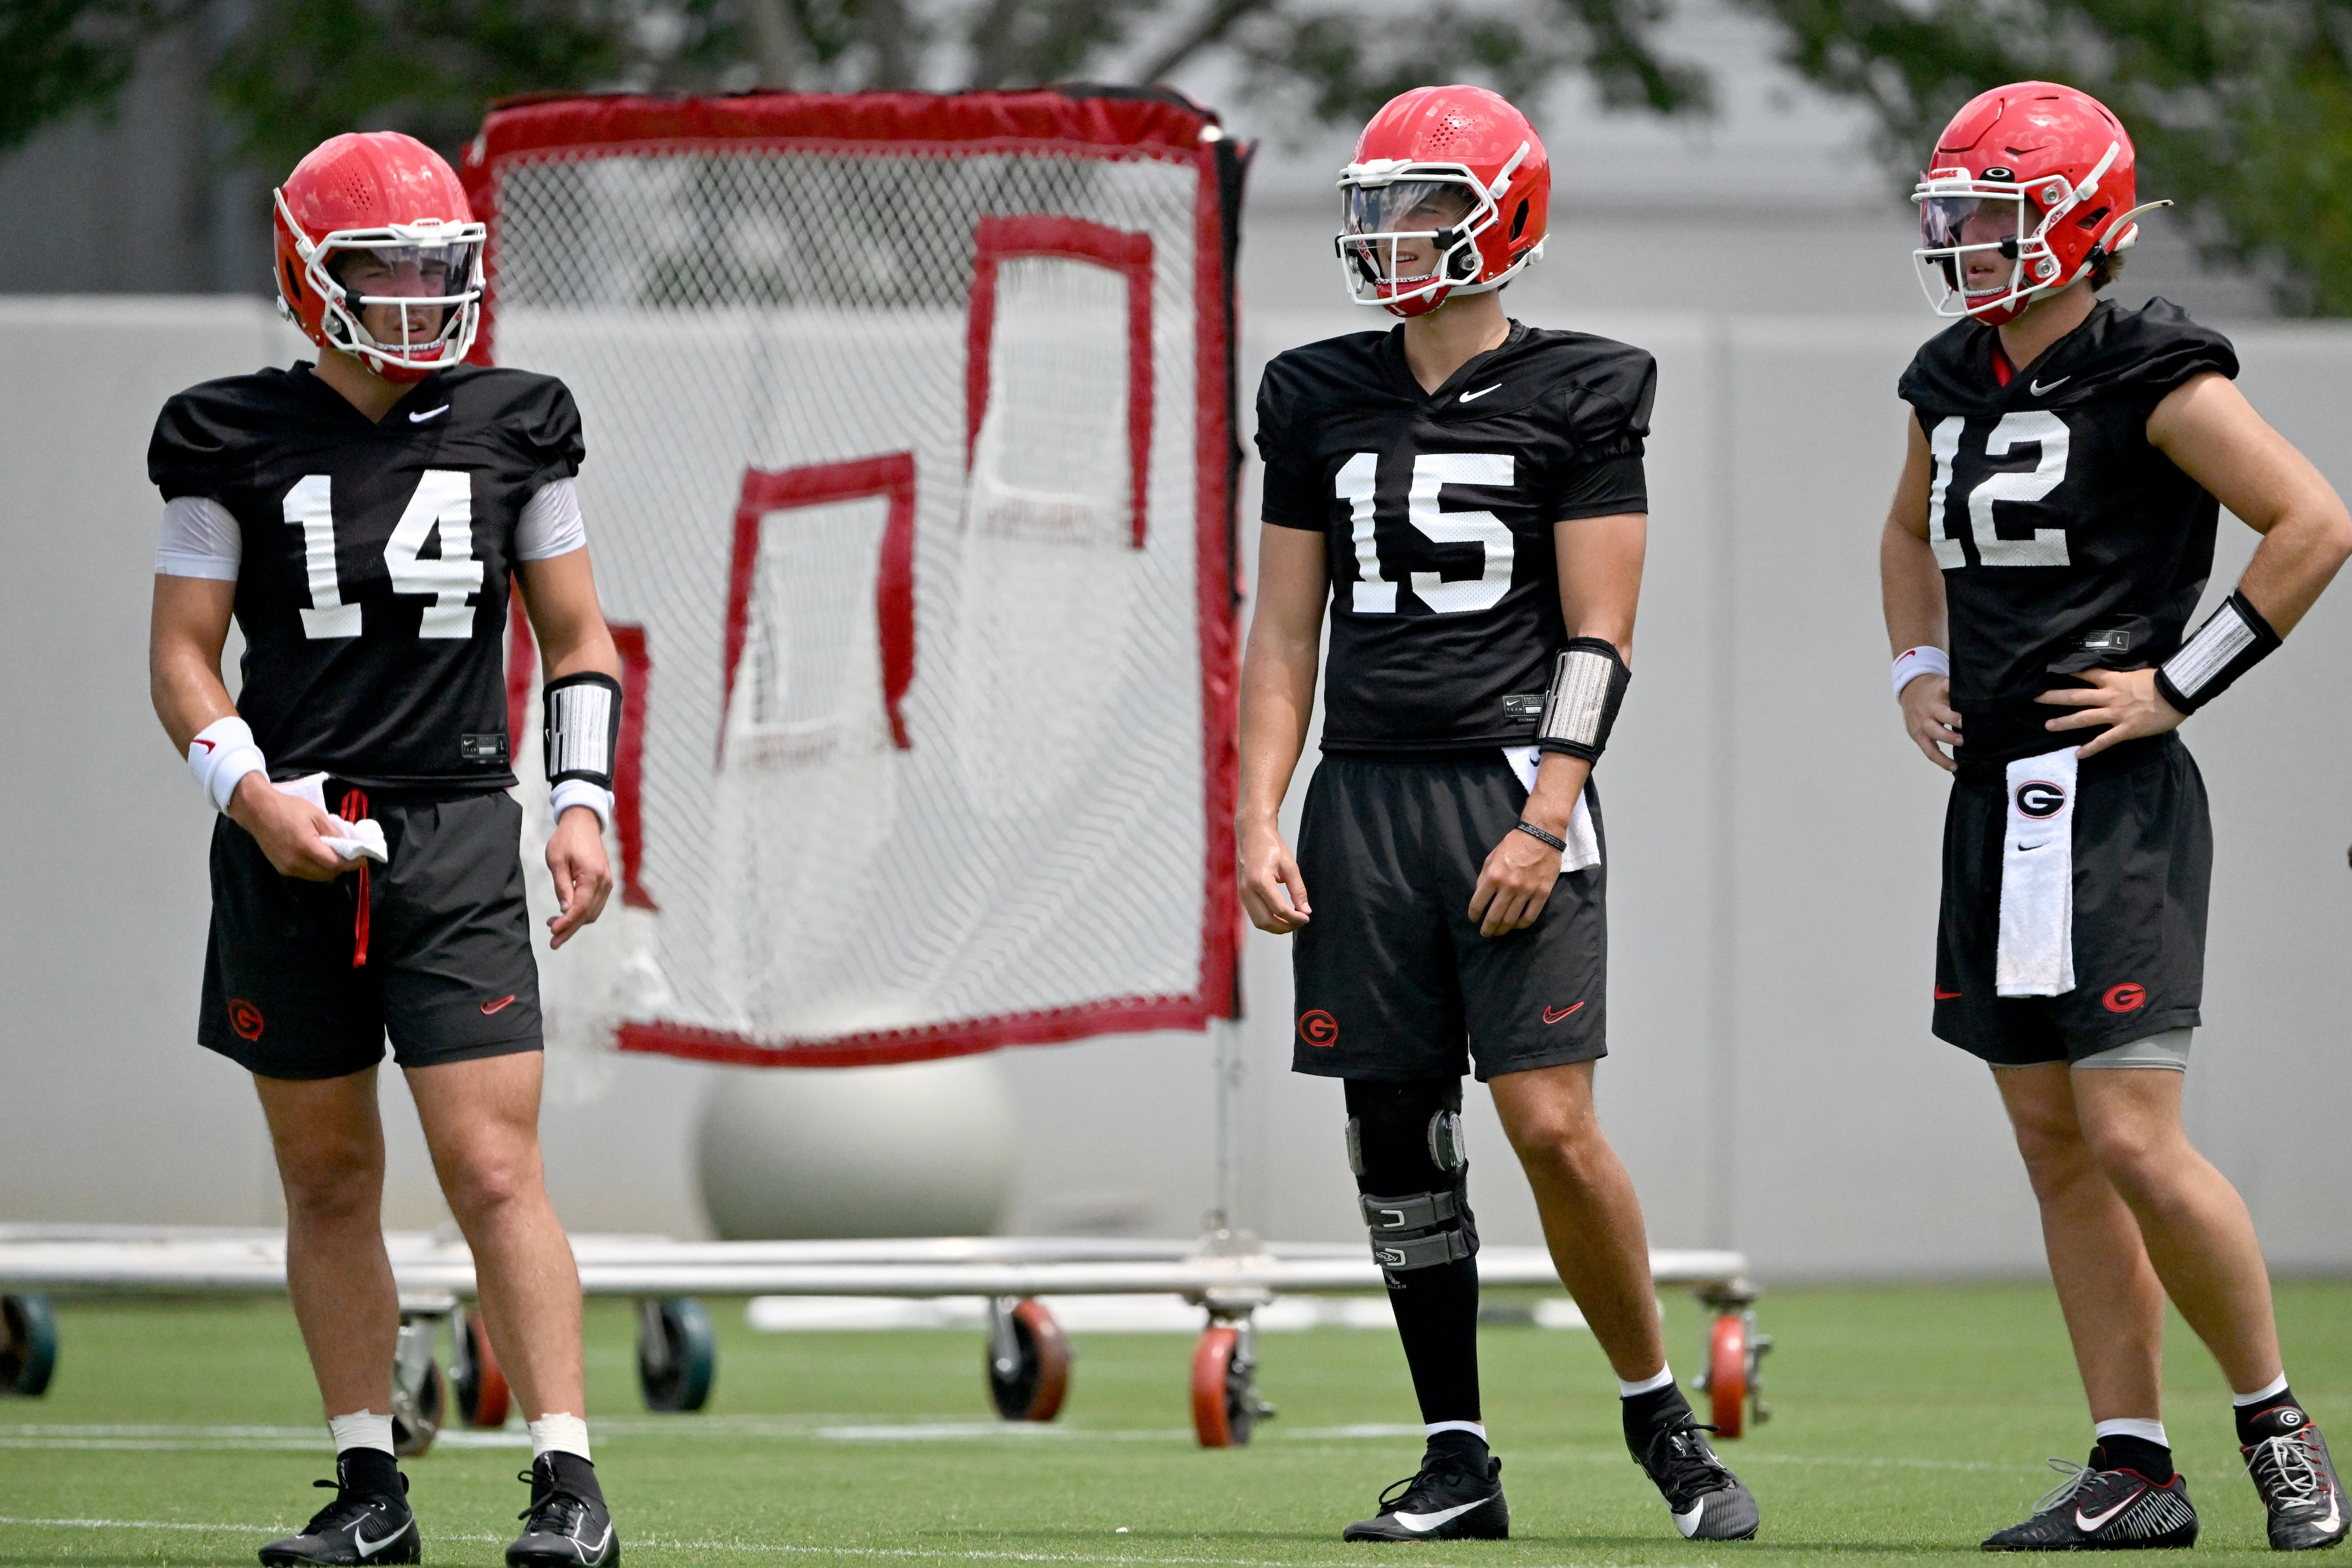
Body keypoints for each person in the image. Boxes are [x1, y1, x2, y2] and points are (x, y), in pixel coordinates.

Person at [1238, 83, 1760, 1544]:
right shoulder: (1313, 389)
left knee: (1548, 1117)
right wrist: (1256, 812)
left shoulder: (1586, 386)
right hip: (1363, 794)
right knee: (1393, 1127)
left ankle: (1662, 1418)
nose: (1390, 233)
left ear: (1501, 221)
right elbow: (1284, 633)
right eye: (1380, 202)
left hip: (1508, 783)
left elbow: (1601, 635)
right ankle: (1455, 1451)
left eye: (1423, 205)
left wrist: (1548, 810)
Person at [1883, 81, 2351, 1553]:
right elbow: (1907, 530)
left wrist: (2178, 683)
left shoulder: (2157, 367)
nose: (1963, 243)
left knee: (2136, 1135)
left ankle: (2275, 1419)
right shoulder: (1952, 373)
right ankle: (2133, 1463)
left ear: (2080, 224)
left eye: (1992, 216)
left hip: (2114, 800)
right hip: (1997, 790)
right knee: (2053, 1138)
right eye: (1953, 215)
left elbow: (2315, 520)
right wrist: (1915, 666)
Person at [146, 130, 623, 1568]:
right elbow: (182, 656)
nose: (421, 293)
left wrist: (582, 799)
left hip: (454, 823)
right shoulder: (224, 430)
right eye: (387, 266)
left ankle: (569, 1477)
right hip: (290, 829)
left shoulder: (519, 418)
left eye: (439, 265)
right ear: (308, 272)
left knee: (493, 1165)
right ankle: (370, 1479)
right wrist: (251, 796)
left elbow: (579, 638)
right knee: (329, 1176)